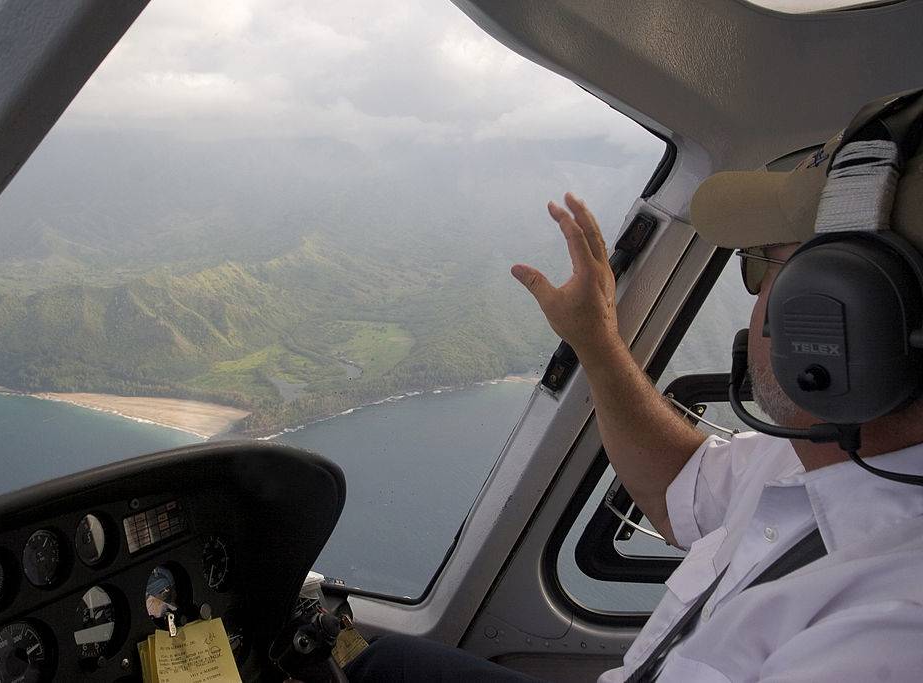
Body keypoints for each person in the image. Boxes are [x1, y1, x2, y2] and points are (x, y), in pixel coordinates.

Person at [346, 104, 923, 681]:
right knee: (385, 665)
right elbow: (680, 485)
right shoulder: (810, 454)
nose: (755, 307)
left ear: (840, 312)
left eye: (762, 266)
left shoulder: (888, 634)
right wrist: (595, 341)